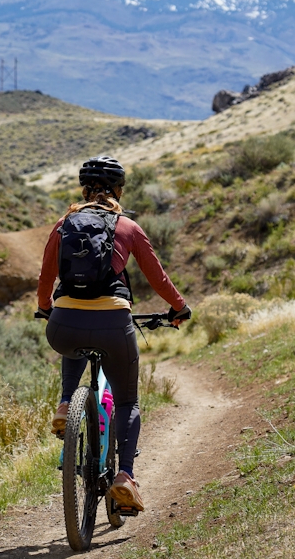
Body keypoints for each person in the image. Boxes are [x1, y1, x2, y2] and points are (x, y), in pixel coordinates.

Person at [37, 156, 191, 513]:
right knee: (126, 401)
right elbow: (158, 279)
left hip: (62, 326)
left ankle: (65, 404)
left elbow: (46, 278)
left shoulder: (63, 225)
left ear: (82, 190)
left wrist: (46, 307)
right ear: (118, 190)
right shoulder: (128, 227)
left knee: (73, 343)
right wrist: (179, 308)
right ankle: (124, 476)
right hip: (113, 325)